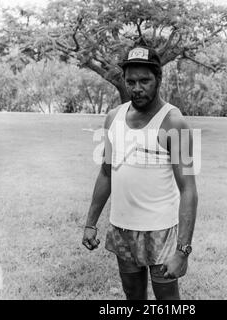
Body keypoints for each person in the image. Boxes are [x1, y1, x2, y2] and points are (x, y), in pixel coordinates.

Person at [82, 46, 198, 300]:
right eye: (131, 81)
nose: (137, 88)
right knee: (133, 295)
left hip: (161, 229)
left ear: (158, 79)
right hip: (123, 226)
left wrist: (182, 251)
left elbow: (188, 189)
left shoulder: (173, 122)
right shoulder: (114, 117)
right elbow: (106, 172)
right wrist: (90, 223)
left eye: (144, 80)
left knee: (167, 299)